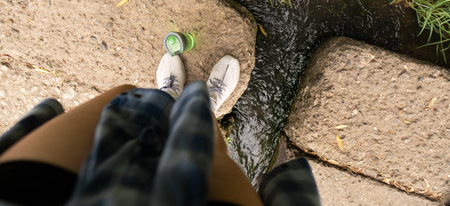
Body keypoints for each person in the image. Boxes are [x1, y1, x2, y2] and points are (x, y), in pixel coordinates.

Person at [0, 54, 320, 206]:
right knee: (210, 150)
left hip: (30, 197)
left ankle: (168, 95)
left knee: (122, 96)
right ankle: (203, 105)